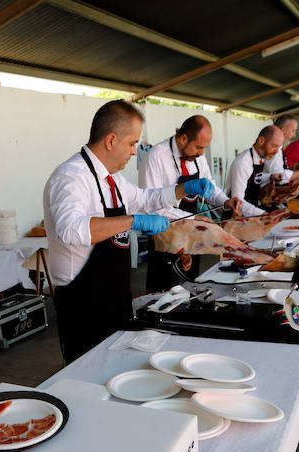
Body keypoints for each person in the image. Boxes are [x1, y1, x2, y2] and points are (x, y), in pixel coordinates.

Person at [44, 100, 194, 362]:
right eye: (132, 143)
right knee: (89, 377)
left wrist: (185, 189)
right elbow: (71, 229)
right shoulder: (71, 177)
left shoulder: (113, 179)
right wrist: (132, 221)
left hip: (115, 297)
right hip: (84, 306)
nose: (135, 151)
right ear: (111, 140)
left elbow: (146, 199)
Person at [139, 115, 261, 292]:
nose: (202, 153)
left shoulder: (196, 157)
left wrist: (226, 201)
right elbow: (152, 208)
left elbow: (210, 188)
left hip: (192, 237)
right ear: (183, 139)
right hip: (166, 238)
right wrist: (195, 218)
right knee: (166, 292)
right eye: (199, 147)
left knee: (189, 286)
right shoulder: (155, 157)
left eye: (204, 148)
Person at [226, 125, 284, 208]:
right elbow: (237, 201)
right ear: (261, 141)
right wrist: (263, 214)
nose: (276, 152)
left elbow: (252, 177)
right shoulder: (243, 163)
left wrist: (271, 177)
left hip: (251, 210)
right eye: (274, 146)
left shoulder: (259, 158)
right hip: (236, 215)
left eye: (279, 147)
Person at [264, 114, 299, 182]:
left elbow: (278, 169)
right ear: (283, 130)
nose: (294, 135)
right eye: (293, 131)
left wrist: (292, 168)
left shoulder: (279, 148)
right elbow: (278, 177)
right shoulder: (273, 148)